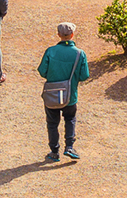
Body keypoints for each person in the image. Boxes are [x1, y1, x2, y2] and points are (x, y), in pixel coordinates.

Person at [37, 21, 89, 163]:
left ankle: (54, 151)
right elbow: (84, 76)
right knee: (70, 119)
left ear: (59, 34)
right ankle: (70, 147)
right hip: (70, 95)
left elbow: (42, 71)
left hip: (52, 94)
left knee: (52, 123)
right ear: (72, 35)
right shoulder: (80, 53)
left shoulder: (50, 51)